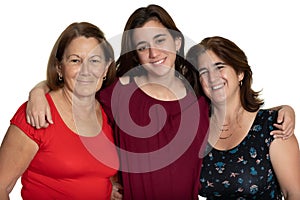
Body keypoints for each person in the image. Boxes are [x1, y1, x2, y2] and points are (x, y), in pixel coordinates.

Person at [25, 5, 295, 200]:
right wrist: (38, 92)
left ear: (177, 42)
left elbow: (239, 114)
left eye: (160, 40)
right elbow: (80, 83)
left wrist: (283, 110)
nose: (153, 53)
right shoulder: (119, 91)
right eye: (142, 47)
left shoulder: (199, 95)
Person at [0, 22, 119, 200]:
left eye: (94, 60)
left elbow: (93, 174)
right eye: (75, 60)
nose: (86, 71)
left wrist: (108, 188)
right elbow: (2, 186)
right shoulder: (37, 114)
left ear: (106, 68)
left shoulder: (108, 110)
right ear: (59, 67)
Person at [186, 36, 300, 199]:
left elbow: (294, 194)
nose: (212, 78)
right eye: (204, 72)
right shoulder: (197, 131)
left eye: (219, 67)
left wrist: (287, 109)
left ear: (240, 73)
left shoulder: (273, 127)